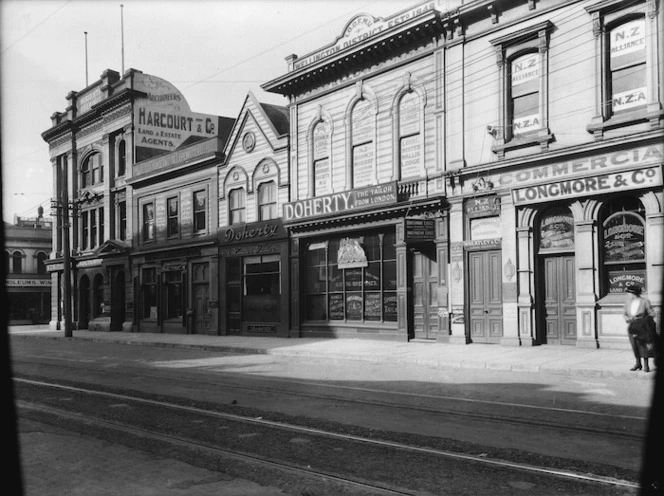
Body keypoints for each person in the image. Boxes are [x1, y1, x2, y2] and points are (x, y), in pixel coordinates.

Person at [623, 285, 657, 372]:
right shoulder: (628, 302)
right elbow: (625, 313)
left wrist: (644, 320)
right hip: (632, 326)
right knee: (634, 345)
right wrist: (628, 319)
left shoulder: (645, 301)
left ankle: (646, 365)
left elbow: (652, 313)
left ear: (633, 293)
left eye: (629, 293)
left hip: (642, 326)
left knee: (643, 346)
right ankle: (638, 364)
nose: (627, 294)